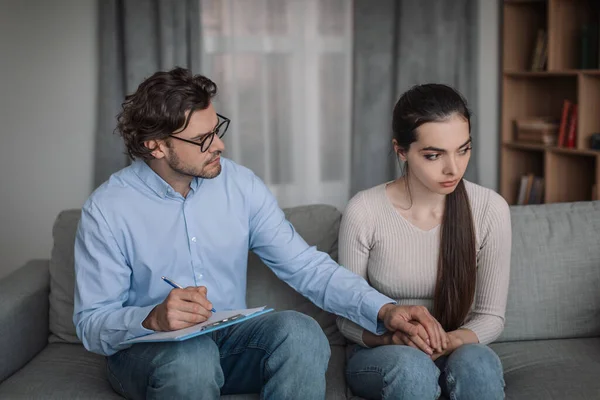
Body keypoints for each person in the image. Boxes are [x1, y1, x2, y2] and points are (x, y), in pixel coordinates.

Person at [73, 67, 448, 400]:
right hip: (146, 353)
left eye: (216, 128)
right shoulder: (107, 209)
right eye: (202, 139)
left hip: (227, 341)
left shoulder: (240, 185)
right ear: (155, 145)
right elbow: (91, 323)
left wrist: (384, 309)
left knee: (301, 331)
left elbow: (305, 266)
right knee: (192, 358)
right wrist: (152, 318)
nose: (219, 145)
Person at [336, 83, 511, 400]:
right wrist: (392, 340)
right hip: (384, 352)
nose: (453, 169)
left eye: (463, 150)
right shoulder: (364, 211)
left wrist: (446, 341)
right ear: (401, 150)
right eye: (434, 155)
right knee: (411, 368)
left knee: (479, 364)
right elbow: (346, 318)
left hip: (455, 343)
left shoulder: (489, 209)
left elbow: (491, 317)